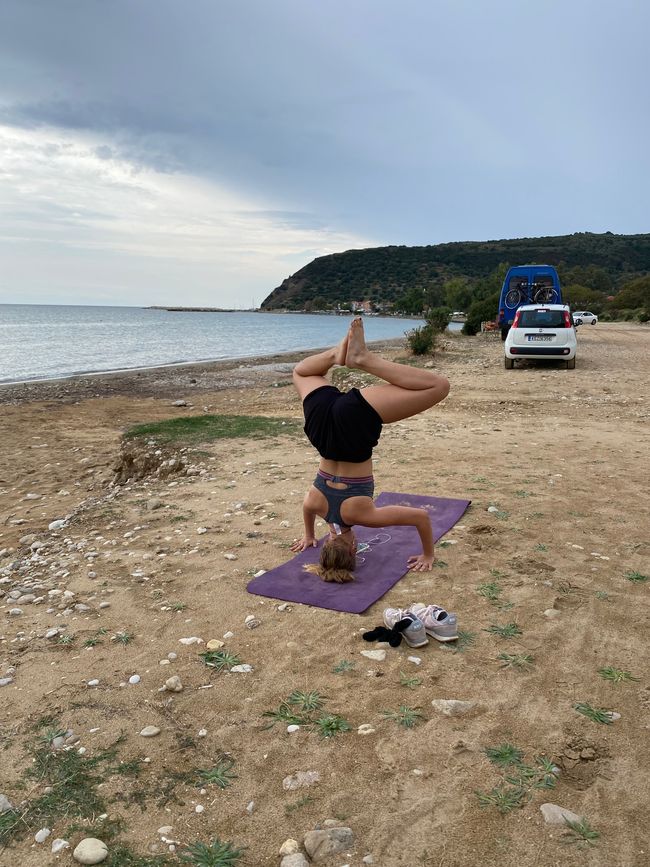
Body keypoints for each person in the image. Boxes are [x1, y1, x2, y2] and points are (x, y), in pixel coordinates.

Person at [290, 317, 450, 582]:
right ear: (327, 544)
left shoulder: (362, 515)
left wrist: (428, 555)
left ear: (354, 548)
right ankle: (334, 354)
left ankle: (363, 358)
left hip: (352, 429)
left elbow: (421, 517)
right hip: (322, 430)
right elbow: (306, 509)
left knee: (438, 386)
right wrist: (308, 535)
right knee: (301, 373)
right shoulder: (316, 505)